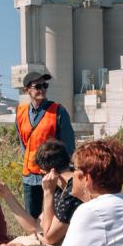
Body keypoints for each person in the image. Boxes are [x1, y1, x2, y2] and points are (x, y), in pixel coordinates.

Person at [0, 139, 81, 246]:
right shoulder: (63, 186)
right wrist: (7, 195)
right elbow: (35, 228)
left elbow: (49, 238)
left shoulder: (72, 193)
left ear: (46, 173)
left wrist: (48, 193)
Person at [16, 70, 76, 217]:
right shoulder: (20, 112)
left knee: (54, 215)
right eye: (38, 86)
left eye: (45, 85)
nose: (42, 89)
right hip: (29, 174)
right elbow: (23, 142)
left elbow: (68, 145)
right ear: (27, 90)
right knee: (32, 217)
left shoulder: (58, 110)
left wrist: (63, 171)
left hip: (52, 174)